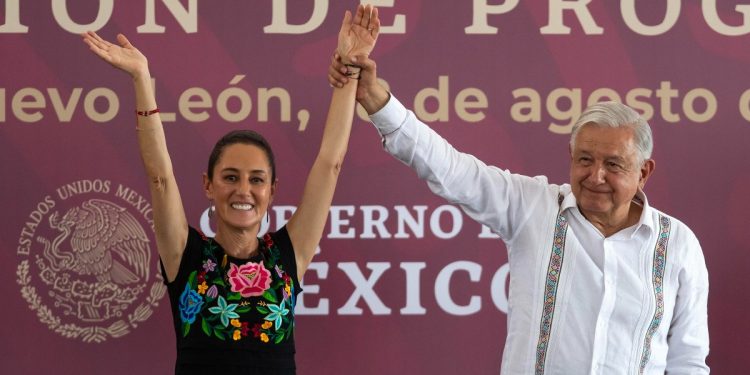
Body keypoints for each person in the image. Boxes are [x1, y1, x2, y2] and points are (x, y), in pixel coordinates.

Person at [328, 55, 709, 373]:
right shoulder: (534, 207)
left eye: (613, 164)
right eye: (585, 160)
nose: (596, 176)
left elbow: (688, 360)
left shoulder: (678, 244)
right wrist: (377, 100)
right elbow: (450, 168)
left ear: (644, 172)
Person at [82, 4, 379, 374]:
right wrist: (142, 79)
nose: (244, 190)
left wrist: (350, 67)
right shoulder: (184, 256)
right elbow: (160, 176)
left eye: (257, 180)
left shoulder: (290, 254)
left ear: (272, 190)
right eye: (230, 177)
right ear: (209, 185)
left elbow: (330, 163)